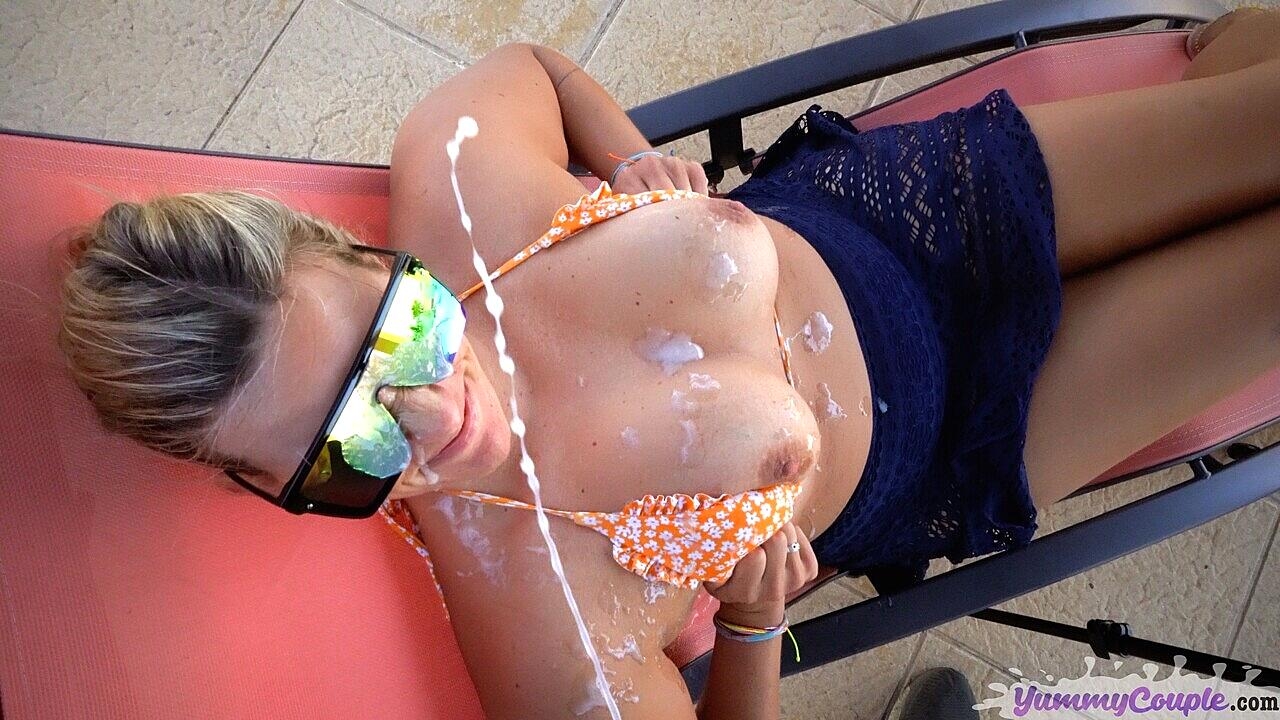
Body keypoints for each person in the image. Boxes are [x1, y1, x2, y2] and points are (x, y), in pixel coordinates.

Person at [56, 8, 1280, 719]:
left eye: (398, 334)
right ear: (276, 489)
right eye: (351, 446)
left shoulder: (461, 184)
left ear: (363, 254)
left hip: (906, 217)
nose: (431, 415)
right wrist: (749, 623)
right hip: (961, 432)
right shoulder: (537, 620)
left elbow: (534, 69)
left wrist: (629, 158)